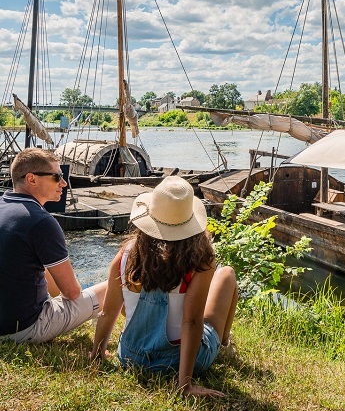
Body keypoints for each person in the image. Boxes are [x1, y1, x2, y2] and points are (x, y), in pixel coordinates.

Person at [90, 176, 237, 398]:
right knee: (227, 275)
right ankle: (224, 343)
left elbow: (108, 312)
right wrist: (185, 385)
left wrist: (97, 354)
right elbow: (192, 321)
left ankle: (222, 343)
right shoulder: (200, 260)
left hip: (131, 357)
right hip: (180, 362)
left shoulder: (126, 255)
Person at [0, 148, 107, 343]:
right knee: (114, 285)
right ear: (32, 179)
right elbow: (72, 293)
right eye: (57, 176)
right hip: (22, 328)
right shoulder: (41, 222)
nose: (64, 183)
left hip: (5, 319)